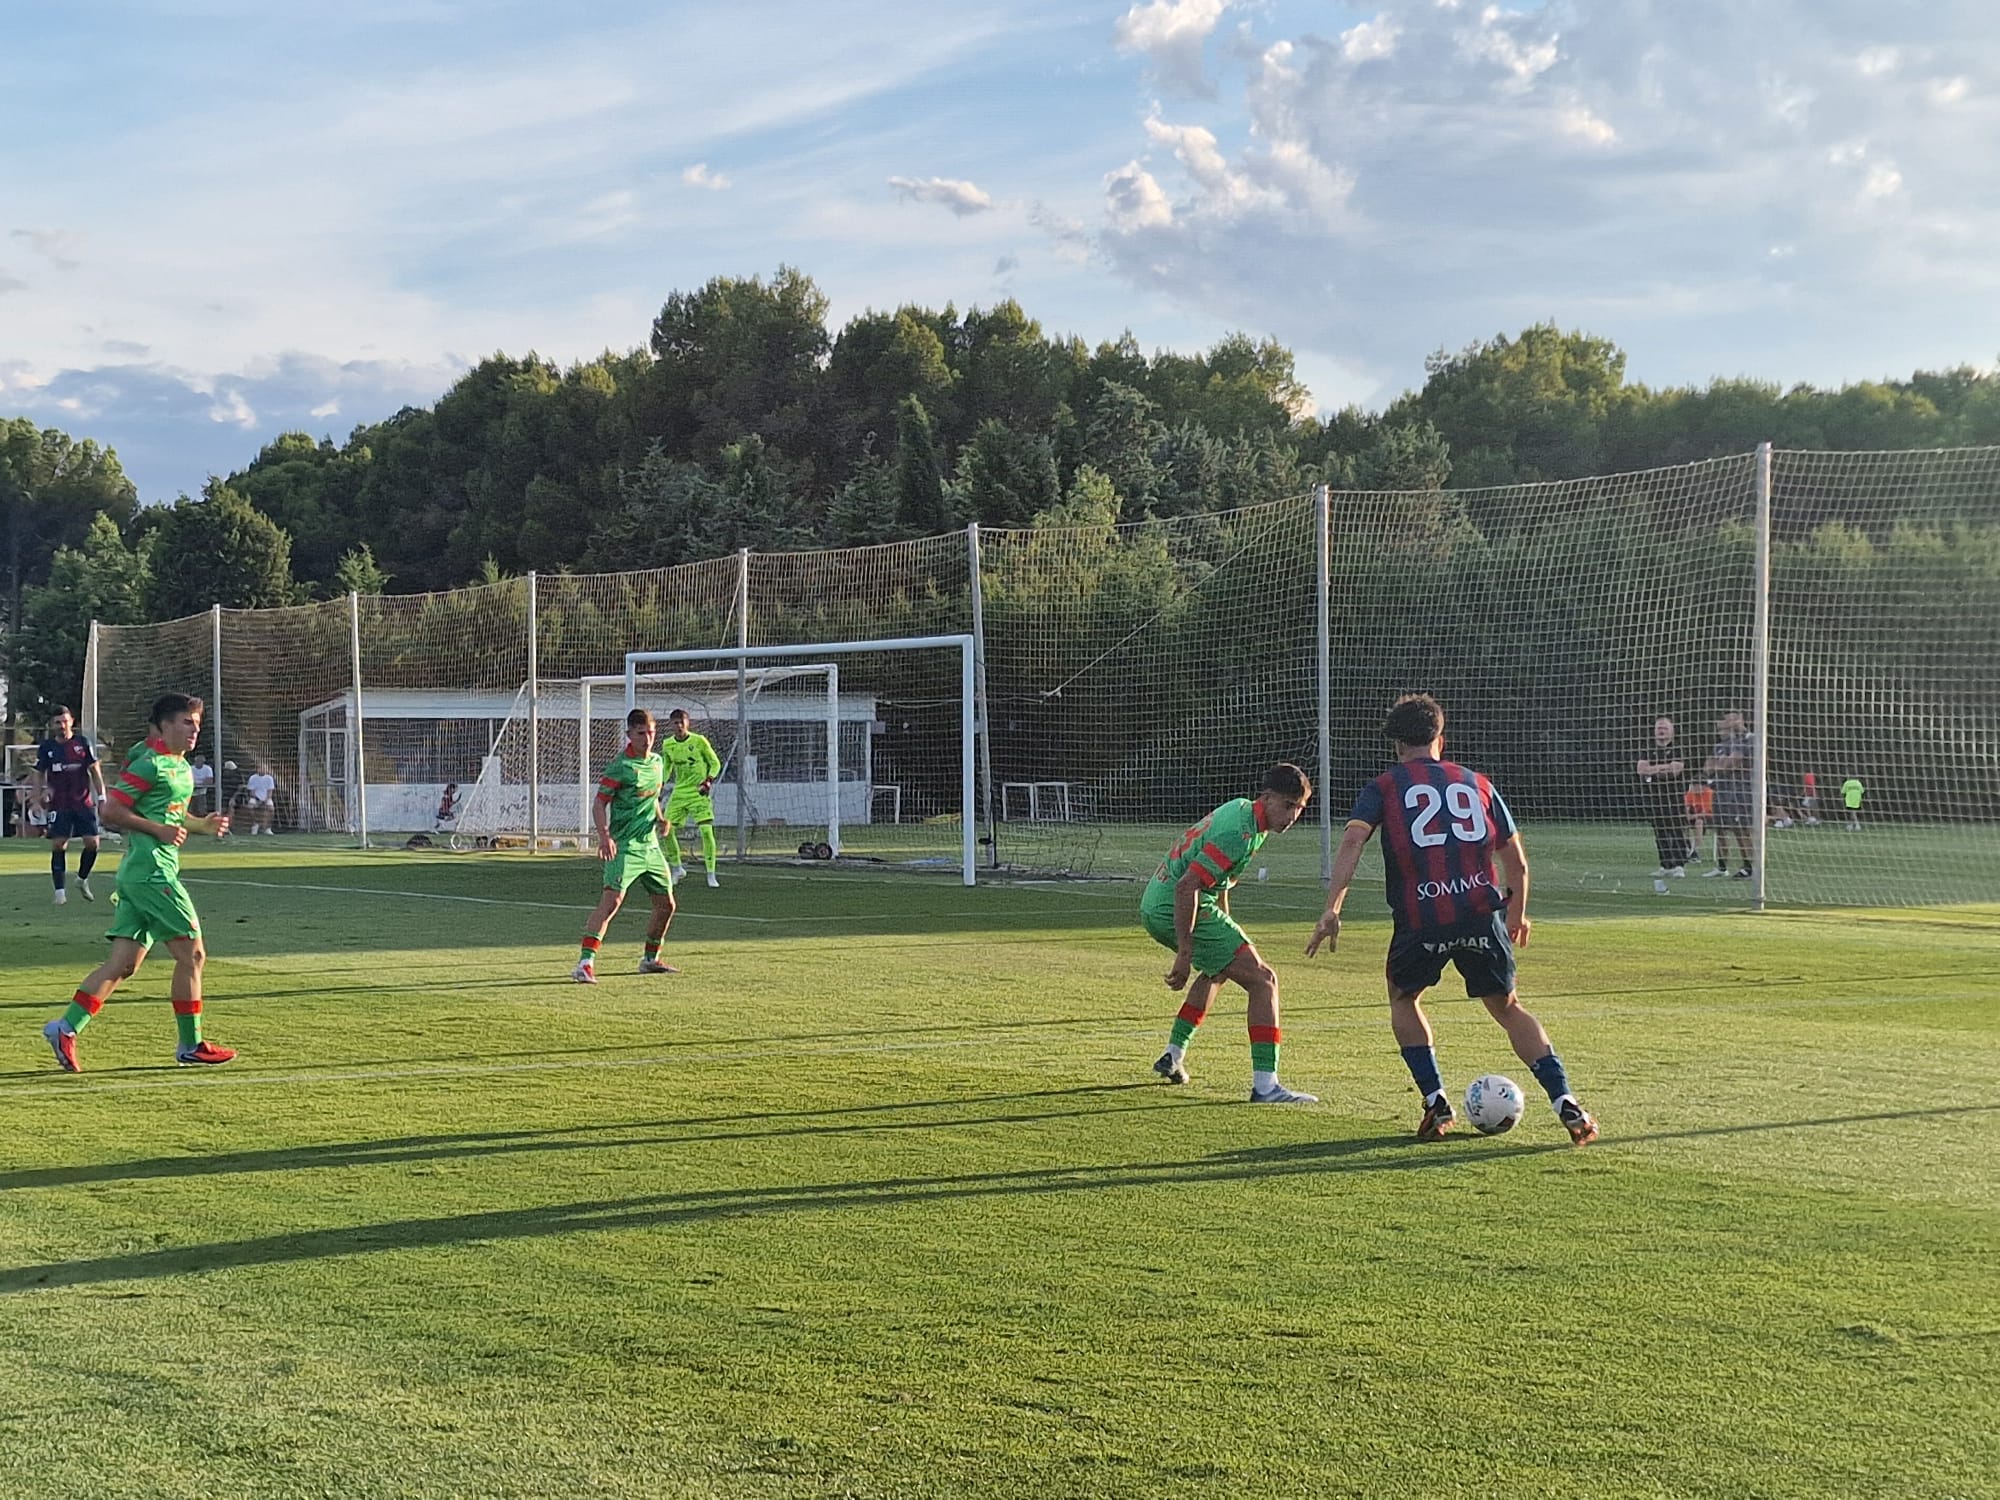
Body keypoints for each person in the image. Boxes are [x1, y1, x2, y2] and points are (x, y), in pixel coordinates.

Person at [1306, 693, 1597, 1146]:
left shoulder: (1384, 787)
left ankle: (1436, 1100)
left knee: (1404, 999)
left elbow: (1351, 844)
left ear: (1397, 745)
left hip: (1422, 918)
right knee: (1508, 1007)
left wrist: (1333, 908)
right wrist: (1517, 915)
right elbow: (1515, 863)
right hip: (1481, 913)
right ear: (1440, 737)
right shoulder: (1477, 783)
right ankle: (1565, 1101)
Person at [40, 693, 236, 1072]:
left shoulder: (178, 766)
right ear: (163, 726)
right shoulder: (152, 764)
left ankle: (65, 1028)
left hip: (143, 872)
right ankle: (190, 1044)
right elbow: (111, 809)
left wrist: (199, 824)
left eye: (197, 722)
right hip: (151, 873)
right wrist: (157, 830)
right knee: (193, 955)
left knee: (123, 965)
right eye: (185, 721)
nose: (194, 729)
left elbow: (170, 815)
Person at [1144, 763, 1317, 1104]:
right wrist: (1184, 951)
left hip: (1157, 900)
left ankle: (1173, 1054)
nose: (1293, 815)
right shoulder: (1239, 834)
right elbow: (1187, 886)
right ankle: (1266, 1086)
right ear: (1266, 798)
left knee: (1220, 969)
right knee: (1264, 980)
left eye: (1300, 808)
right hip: (1173, 904)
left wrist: (1228, 926)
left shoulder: (1244, 813)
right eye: (1287, 805)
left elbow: (1219, 879)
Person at [572, 707, 679, 984]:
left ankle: (650, 959)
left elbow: (652, 796)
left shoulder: (657, 762)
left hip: (650, 847)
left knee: (666, 904)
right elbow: (599, 803)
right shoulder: (621, 767)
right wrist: (604, 835)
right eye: (641, 733)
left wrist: (661, 817)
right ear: (630, 734)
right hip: (625, 847)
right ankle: (584, 964)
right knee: (612, 902)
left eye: (652, 733)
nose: (648, 738)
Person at [34, 705, 108, 906]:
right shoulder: (47, 747)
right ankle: (59, 893)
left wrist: (102, 798)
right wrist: (39, 793)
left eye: (65, 721)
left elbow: (95, 771)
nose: (62, 725)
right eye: (57, 722)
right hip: (59, 804)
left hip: (83, 802)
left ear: (72, 722)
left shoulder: (82, 744)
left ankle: (82, 879)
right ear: (52, 725)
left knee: (93, 843)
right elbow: (39, 772)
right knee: (59, 844)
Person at [660, 708, 723, 888]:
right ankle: (677, 868)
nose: (679, 725)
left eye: (682, 722)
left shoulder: (699, 741)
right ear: (671, 724)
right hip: (680, 793)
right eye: (675, 722)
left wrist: (708, 781)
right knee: (667, 829)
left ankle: (711, 874)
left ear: (687, 723)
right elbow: (666, 768)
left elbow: (715, 763)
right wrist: (661, 785)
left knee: (706, 831)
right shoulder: (668, 745)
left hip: (698, 792)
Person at [1636, 715, 1690, 894]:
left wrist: (1655, 769)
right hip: (1654, 796)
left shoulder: (1677, 749)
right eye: (1659, 728)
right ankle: (1665, 864)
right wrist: (1662, 768)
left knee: (1676, 829)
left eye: (1665, 728)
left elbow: (1674, 771)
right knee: (1659, 831)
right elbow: (1641, 770)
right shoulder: (1647, 749)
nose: (1661, 731)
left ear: (1671, 731)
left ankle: (1679, 865)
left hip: (1673, 796)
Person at [1702, 710, 1755, 880]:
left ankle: (1749, 866)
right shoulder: (1722, 744)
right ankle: (1722, 865)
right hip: (1722, 790)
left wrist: (1721, 765)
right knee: (1720, 829)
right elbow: (1708, 767)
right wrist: (1721, 765)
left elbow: (1732, 763)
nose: (1728, 722)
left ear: (1740, 719)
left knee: (1741, 830)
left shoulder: (1749, 739)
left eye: (1732, 719)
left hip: (1741, 791)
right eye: (1726, 719)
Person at [1683, 781, 1715, 866]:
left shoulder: (1709, 793)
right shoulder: (1691, 793)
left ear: (1703, 786)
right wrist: (1688, 815)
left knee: (1699, 822)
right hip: (1695, 816)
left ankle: (1695, 850)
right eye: (1693, 785)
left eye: (1696, 786)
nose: (1694, 788)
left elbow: (1708, 812)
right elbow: (1686, 806)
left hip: (1709, 817)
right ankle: (1687, 847)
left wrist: (1693, 816)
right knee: (1682, 822)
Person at [244, 764, 278, 834]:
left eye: (265, 769)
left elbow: (270, 791)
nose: (263, 770)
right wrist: (258, 800)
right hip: (255, 798)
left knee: (271, 809)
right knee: (250, 807)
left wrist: (265, 800)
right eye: (261, 768)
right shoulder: (252, 778)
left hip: (266, 798)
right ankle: (255, 824)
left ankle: (268, 828)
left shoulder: (269, 778)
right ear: (258, 769)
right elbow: (252, 792)